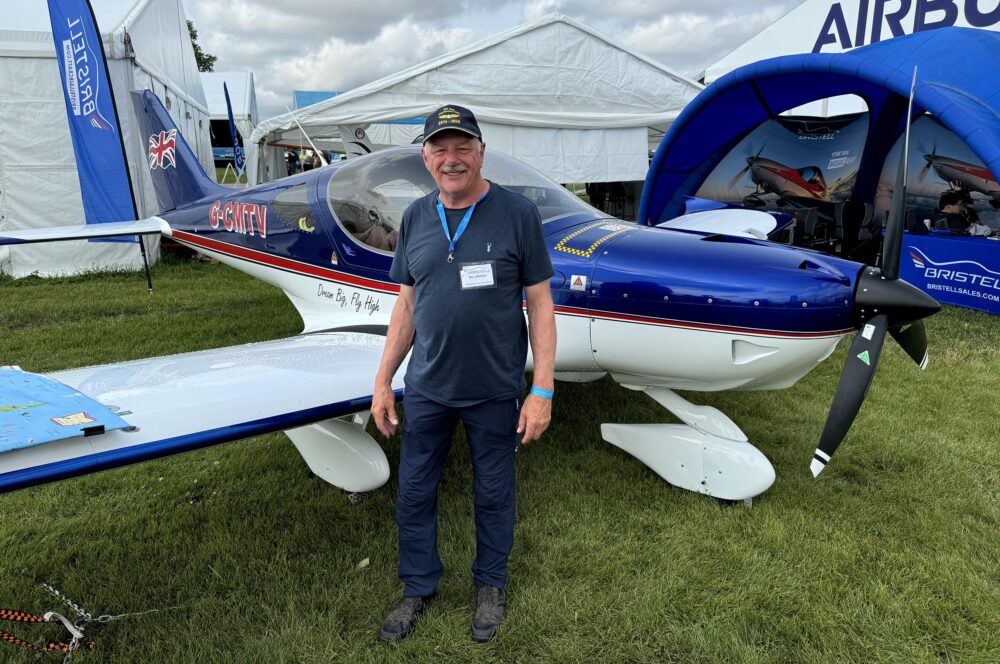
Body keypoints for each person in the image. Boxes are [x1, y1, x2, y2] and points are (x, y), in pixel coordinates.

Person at [370, 105, 556, 644]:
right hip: (428, 387)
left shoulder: (517, 214)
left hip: (495, 388)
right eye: (439, 148)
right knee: (414, 493)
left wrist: (541, 389)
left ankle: (490, 585)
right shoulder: (416, 218)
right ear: (425, 157)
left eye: (462, 147)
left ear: (480, 152)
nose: (451, 159)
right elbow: (406, 303)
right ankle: (418, 586)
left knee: (494, 492)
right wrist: (384, 379)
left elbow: (540, 306)